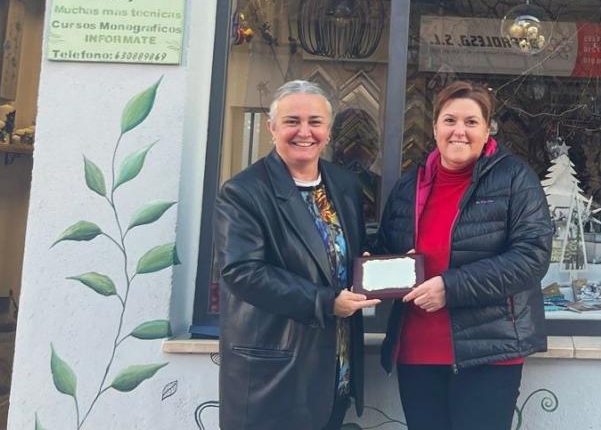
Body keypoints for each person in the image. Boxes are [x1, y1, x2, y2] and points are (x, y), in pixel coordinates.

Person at [376, 80, 553, 430]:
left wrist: (450, 287)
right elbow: (387, 247)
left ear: (487, 130)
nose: (459, 131)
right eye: (450, 120)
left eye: (471, 122)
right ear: (435, 128)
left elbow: (532, 257)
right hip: (418, 352)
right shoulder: (409, 186)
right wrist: (376, 266)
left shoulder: (515, 179)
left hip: (488, 353)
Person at [215, 79, 379, 430]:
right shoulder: (243, 192)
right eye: (292, 121)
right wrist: (326, 302)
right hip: (276, 374)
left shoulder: (344, 185)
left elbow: (344, 255)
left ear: (328, 131)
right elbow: (242, 272)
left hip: (335, 371)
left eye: (315, 122)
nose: (304, 132)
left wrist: (382, 265)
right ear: (271, 127)